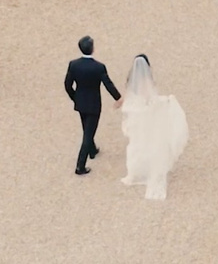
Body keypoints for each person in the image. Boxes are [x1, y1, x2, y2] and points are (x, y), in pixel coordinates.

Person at [118, 53, 189, 200]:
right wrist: (166, 101)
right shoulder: (145, 80)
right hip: (144, 114)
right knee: (145, 142)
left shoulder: (131, 79)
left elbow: (130, 96)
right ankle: (144, 169)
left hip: (135, 114)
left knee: (135, 144)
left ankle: (133, 173)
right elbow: (150, 99)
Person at [65, 36, 121, 175]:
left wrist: (75, 97)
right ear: (92, 49)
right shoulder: (98, 67)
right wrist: (118, 97)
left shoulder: (74, 64)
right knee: (88, 133)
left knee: (86, 126)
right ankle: (80, 165)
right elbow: (108, 84)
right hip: (94, 103)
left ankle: (92, 149)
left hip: (81, 103)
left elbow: (67, 85)